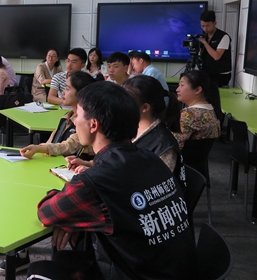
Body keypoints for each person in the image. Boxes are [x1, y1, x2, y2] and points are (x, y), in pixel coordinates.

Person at [27, 81, 197, 280]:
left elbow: (47, 213)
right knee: (69, 255)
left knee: (39, 271)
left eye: (78, 115)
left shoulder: (96, 181)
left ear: (93, 124)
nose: (74, 122)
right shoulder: (151, 158)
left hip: (138, 273)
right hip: (174, 269)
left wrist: (72, 213)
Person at [0, 71, 95, 276]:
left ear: (82, 95)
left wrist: (41, 148)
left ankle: (19, 253)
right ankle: (14, 247)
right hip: (50, 172)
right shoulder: (67, 117)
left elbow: (68, 145)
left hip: (65, 179)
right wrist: (41, 148)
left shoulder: (85, 123)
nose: (62, 91)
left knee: (39, 206)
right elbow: (52, 142)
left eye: (68, 88)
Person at [123, 75, 184, 183]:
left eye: (126, 102)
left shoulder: (164, 146)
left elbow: (155, 183)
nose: (120, 105)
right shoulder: (128, 127)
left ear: (145, 107)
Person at [172, 70, 221, 149]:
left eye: (182, 85)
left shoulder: (189, 114)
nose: (177, 89)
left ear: (197, 90)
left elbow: (173, 146)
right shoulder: (211, 111)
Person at [199, 10, 232, 87]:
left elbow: (216, 56)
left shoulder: (223, 36)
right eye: (203, 26)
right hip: (206, 72)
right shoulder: (203, 36)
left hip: (220, 75)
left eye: (208, 26)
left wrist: (205, 43)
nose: (205, 29)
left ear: (215, 23)